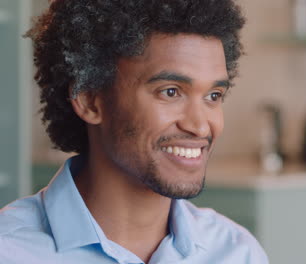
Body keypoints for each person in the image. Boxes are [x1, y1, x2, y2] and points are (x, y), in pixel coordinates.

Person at [0, 0, 269, 263]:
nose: (199, 126)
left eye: (213, 95)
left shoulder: (235, 252)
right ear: (90, 100)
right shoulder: (11, 251)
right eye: (171, 92)